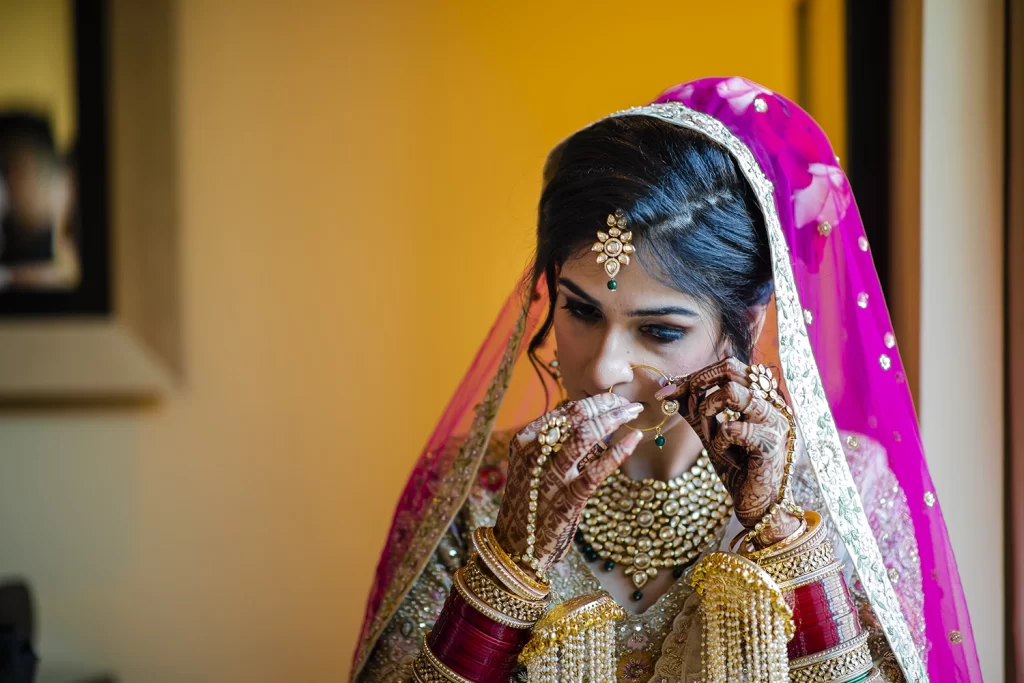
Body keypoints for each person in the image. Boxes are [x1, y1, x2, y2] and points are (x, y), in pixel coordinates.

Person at [350, 77, 981, 682]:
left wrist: (781, 537)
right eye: (580, 310)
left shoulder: (844, 489)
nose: (602, 367)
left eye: (659, 331)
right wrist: (512, 565)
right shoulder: (475, 493)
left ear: (748, 322)